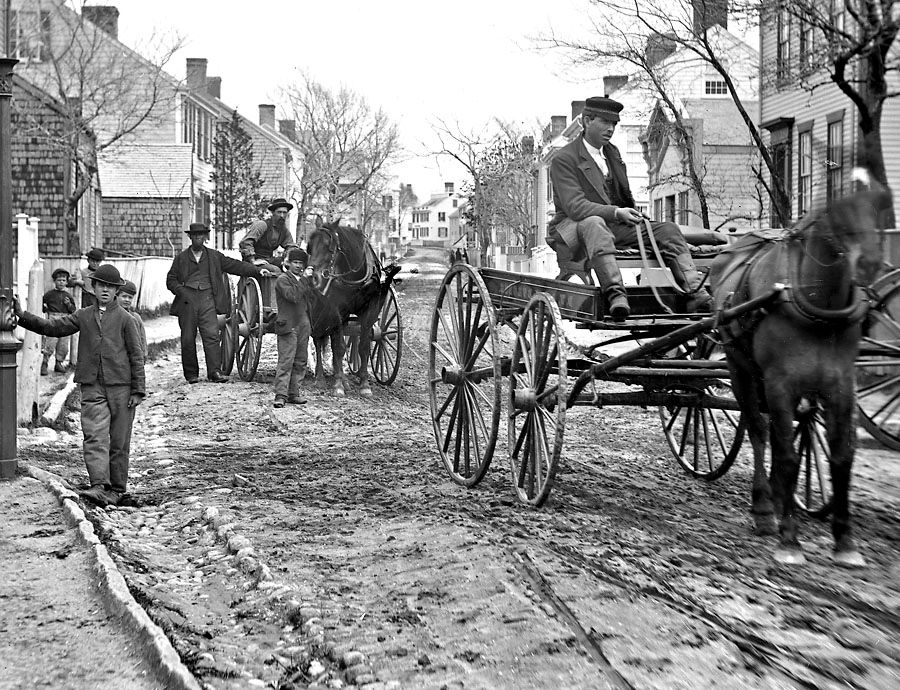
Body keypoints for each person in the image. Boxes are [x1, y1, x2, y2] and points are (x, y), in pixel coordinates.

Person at [547, 96, 712, 320]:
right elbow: (575, 207)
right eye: (604, 122)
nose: (610, 129)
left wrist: (631, 214)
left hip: (612, 227)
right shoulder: (564, 159)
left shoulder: (612, 153)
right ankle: (616, 295)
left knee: (668, 230)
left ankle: (695, 293)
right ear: (587, 121)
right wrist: (615, 212)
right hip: (575, 230)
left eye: (614, 123)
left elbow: (621, 196)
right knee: (594, 224)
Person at [14, 264, 144, 507]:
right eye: (101, 285)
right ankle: (98, 485)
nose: (105, 290)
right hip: (92, 386)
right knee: (94, 435)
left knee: (119, 440)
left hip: (122, 388)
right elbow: (53, 327)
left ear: (117, 290)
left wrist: (138, 390)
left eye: (111, 287)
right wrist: (22, 315)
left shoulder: (126, 320)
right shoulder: (83, 315)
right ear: (92, 287)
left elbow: (136, 355)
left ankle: (116, 489)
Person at [166, 223, 271, 384]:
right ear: (190, 238)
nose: (198, 239)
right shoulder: (181, 258)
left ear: (205, 237)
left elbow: (235, 266)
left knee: (212, 335)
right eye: (195, 236)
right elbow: (171, 280)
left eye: (201, 236)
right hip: (187, 302)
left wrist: (257, 271)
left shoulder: (214, 256)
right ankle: (191, 374)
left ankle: (214, 371)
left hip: (208, 300)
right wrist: (182, 292)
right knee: (188, 338)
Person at [272, 247, 314, 408]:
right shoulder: (283, 279)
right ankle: (280, 395)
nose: (298, 266)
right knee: (286, 361)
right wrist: (304, 279)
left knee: (300, 360)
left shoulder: (305, 280)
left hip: (303, 323)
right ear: (288, 264)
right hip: (287, 324)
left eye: (300, 263)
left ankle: (294, 393)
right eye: (295, 262)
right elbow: (293, 296)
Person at [238, 198, 298, 273]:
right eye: (279, 212)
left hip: (269, 259)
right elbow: (246, 242)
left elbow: (291, 246)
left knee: (292, 269)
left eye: (284, 213)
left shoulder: (284, 230)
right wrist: (253, 260)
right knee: (275, 270)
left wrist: (287, 258)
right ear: (273, 213)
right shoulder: (262, 225)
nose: (282, 215)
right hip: (254, 261)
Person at [40, 267, 77, 375]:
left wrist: (68, 304)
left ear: (67, 282)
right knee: (51, 342)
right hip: (53, 319)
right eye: (59, 280)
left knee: (63, 344)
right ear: (54, 281)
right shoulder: (49, 294)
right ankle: (45, 363)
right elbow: (41, 303)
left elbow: (73, 310)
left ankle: (59, 363)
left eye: (64, 280)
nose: (61, 282)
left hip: (65, 320)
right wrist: (45, 308)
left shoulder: (68, 296)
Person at [118, 280, 148, 359]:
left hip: (132, 356)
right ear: (116, 296)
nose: (127, 300)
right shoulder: (111, 316)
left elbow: (142, 338)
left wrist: (144, 354)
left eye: (130, 297)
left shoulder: (135, 317)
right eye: (124, 296)